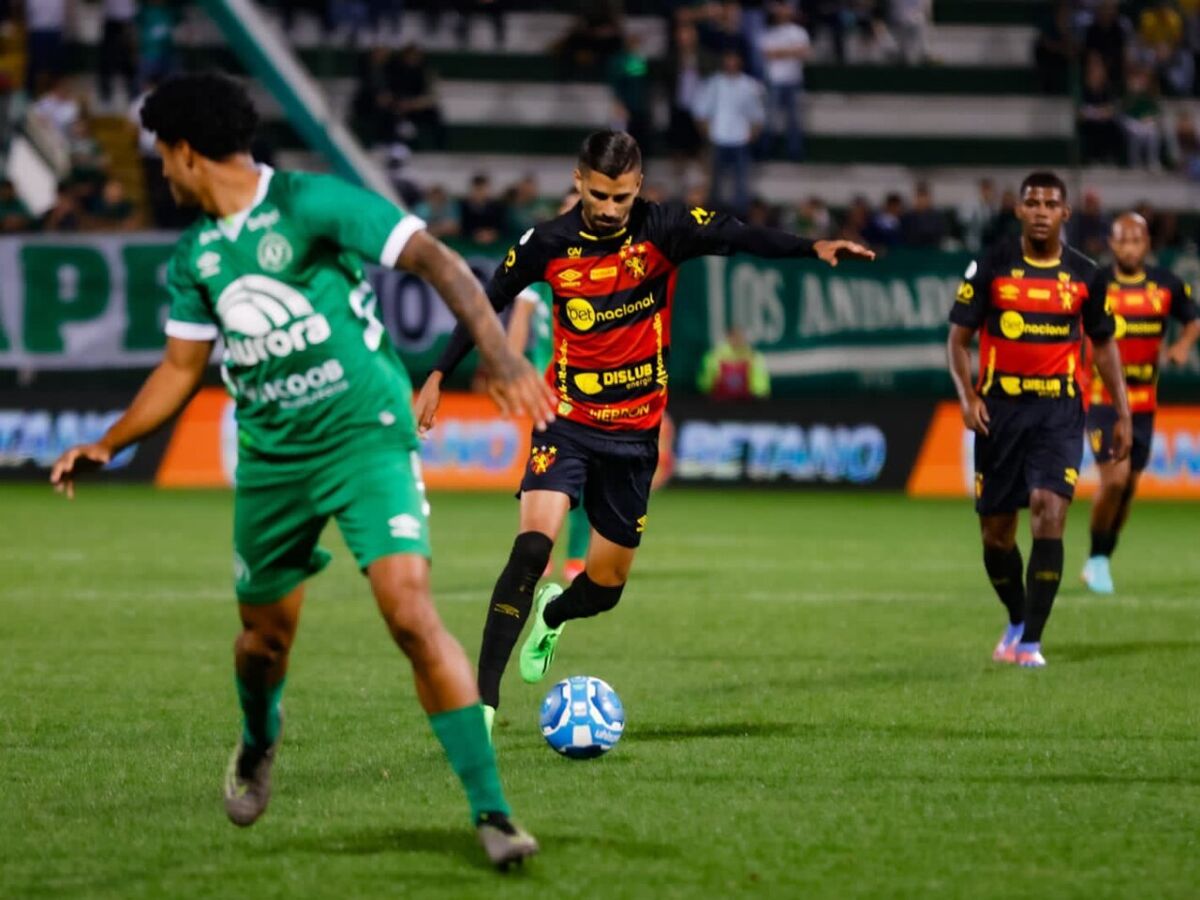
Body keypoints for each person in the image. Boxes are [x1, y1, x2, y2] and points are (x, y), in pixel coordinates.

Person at [47, 73, 552, 869]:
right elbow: (181, 370)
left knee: (411, 614)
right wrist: (110, 440)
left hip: (364, 436)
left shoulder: (311, 204)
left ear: (184, 151)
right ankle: (258, 737)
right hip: (273, 463)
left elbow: (438, 262)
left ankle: (492, 814)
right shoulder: (197, 257)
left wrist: (499, 356)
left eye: (163, 159)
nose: (162, 174)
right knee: (261, 645)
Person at [413, 130, 873, 724]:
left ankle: (553, 617)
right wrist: (437, 374)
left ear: (640, 189)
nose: (608, 209)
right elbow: (484, 299)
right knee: (531, 548)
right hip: (567, 418)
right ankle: (482, 707)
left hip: (635, 433)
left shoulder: (665, 228)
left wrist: (812, 247)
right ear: (578, 181)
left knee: (605, 587)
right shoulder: (547, 242)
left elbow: (738, 234)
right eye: (599, 194)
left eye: (621, 198)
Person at [947, 171, 1131, 669]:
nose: (1043, 211)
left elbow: (1105, 347)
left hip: (1059, 413)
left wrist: (1123, 410)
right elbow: (958, 341)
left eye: (1052, 203)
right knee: (997, 536)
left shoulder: (1087, 274)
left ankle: (1031, 642)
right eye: (1033, 203)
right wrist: (967, 398)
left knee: (1050, 510)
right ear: (1019, 211)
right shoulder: (991, 267)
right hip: (999, 412)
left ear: (1065, 213)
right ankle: (1015, 616)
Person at [1081, 213, 1200, 594]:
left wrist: (1182, 345)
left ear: (1146, 245)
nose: (1129, 247)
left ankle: (1101, 558)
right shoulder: (1097, 283)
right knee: (1113, 480)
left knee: (1129, 486)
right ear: (1112, 245)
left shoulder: (1165, 284)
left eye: (1136, 241)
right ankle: (1096, 559)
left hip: (1145, 400)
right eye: (1122, 241)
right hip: (1103, 398)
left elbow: (1193, 319)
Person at [505, 189, 593, 584]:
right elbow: (521, 319)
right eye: (568, 209)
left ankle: (576, 560)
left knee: (588, 479)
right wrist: (508, 367)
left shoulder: (603, 267)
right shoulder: (541, 262)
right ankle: (541, 552)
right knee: (545, 475)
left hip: (592, 390)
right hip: (549, 391)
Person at [693, 50, 765, 216]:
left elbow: (758, 115)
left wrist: (751, 135)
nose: (731, 62)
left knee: (741, 183)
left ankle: (740, 217)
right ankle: (714, 215)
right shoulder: (714, 83)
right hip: (718, 138)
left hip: (740, 140)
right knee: (715, 183)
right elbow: (701, 112)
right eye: (728, 58)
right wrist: (708, 133)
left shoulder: (749, 85)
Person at [758, 3, 809, 161]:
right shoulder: (769, 32)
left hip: (794, 80)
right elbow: (768, 54)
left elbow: (803, 52)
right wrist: (791, 51)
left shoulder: (799, 31)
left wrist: (781, 52)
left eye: (785, 7)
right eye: (780, 8)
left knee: (794, 120)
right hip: (775, 80)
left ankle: (795, 152)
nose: (783, 11)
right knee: (769, 119)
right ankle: (765, 150)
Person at [698, 326, 770, 400]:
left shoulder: (754, 356)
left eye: (740, 337)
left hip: (747, 402)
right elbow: (706, 383)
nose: (738, 340)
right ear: (728, 337)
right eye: (734, 336)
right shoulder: (714, 356)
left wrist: (760, 394)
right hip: (720, 403)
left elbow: (760, 384)